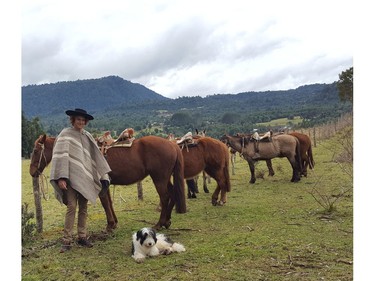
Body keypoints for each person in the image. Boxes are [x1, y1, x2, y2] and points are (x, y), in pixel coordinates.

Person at [50, 108, 111, 253]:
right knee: (72, 206)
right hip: (69, 178)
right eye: (78, 119)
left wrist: (100, 176)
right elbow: (61, 157)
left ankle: (82, 237)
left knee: (84, 207)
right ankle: (67, 240)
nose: (81, 122)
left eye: (83, 120)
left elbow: (94, 157)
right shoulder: (65, 135)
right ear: (73, 120)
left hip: (85, 178)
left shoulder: (87, 136)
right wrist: (61, 178)